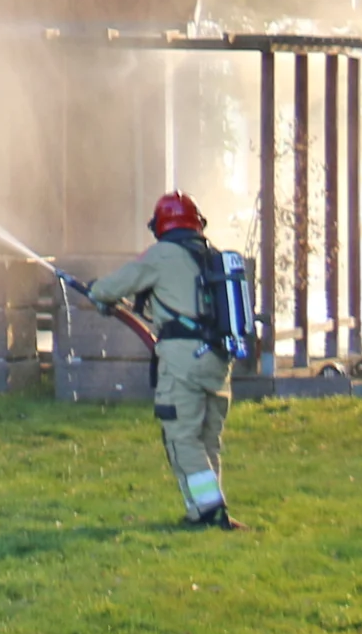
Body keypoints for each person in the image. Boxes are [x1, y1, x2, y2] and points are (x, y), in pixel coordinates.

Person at [75, 193, 245, 530]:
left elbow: (111, 287)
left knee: (182, 437)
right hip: (217, 361)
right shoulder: (208, 256)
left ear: (160, 226)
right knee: (207, 439)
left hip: (184, 361)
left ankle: (210, 512)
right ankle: (205, 510)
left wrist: (96, 290)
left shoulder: (162, 255)